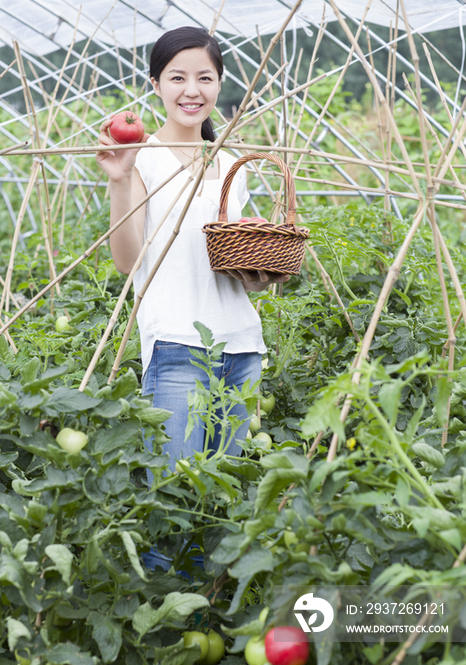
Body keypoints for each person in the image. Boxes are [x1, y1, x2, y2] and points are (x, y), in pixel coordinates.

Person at [96, 26, 288, 570]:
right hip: (177, 347)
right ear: (155, 83)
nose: (191, 89)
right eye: (177, 77)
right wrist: (119, 181)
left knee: (219, 509)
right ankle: (164, 631)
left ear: (220, 84)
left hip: (243, 349)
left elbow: (231, 261)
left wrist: (256, 276)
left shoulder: (229, 164)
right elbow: (128, 261)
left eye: (204, 77)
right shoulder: (142, 158)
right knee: (172, 505)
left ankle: (205, 622)